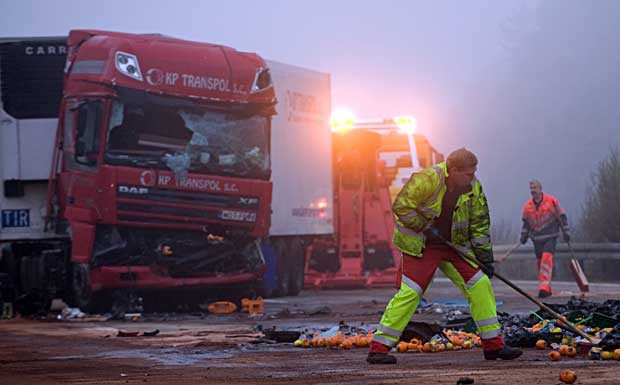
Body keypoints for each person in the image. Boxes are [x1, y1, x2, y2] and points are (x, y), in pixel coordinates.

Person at [367, 148, 522, 364]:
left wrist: (485, 259)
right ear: (453, 170)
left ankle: (494, 346)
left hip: (453, 247)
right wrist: (424, 227)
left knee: (480, 284)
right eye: (468, 174)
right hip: (422, 245)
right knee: (411, 293)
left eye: (474, 173)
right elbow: (401, 206)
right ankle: (378, 348)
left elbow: (479, 226)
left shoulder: (474, 188)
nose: (473, 178)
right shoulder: (428, 179)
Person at [520, 179, 570, 298]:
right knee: (540, 263)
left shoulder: (551, 201)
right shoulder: (527, 207)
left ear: (540, 189)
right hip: (536, 239)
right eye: (531, 188)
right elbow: (526, 224)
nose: (533, 190)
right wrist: (523, 236)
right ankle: (547, 287)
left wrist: (566, 232)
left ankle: (543, 288)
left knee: (546, 259)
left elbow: (561, 217)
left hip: (550, 236)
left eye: (535, 188)